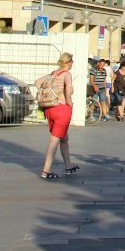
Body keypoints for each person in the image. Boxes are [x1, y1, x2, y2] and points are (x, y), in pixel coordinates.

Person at [39, 52, 77, 180]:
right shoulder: (67, 74)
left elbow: (37, 82)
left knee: (64, 138)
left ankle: (68, 166)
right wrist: (69, 103)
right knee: (54, 141)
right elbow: (68, 90)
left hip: (49, 109)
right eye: (72, 61)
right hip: (61, 109)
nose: (72, 64)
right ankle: (46, 170)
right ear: (68, 62)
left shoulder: (53, 74)